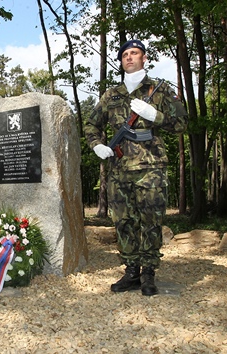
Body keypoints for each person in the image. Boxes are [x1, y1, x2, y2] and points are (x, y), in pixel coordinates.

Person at [84, 39, 188, 296]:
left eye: (135, 53)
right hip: (119, 169)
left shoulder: (160, 90)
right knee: (123, 222)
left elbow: (182, 124)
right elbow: (91, 125)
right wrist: (97, 145)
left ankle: (149, 273)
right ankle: (131, 271)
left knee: (151, 221)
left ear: (144, 58)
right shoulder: (111, 95)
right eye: (125, 54)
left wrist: (156, 116)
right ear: (121, 61)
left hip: (151, 167)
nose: (129, 57)